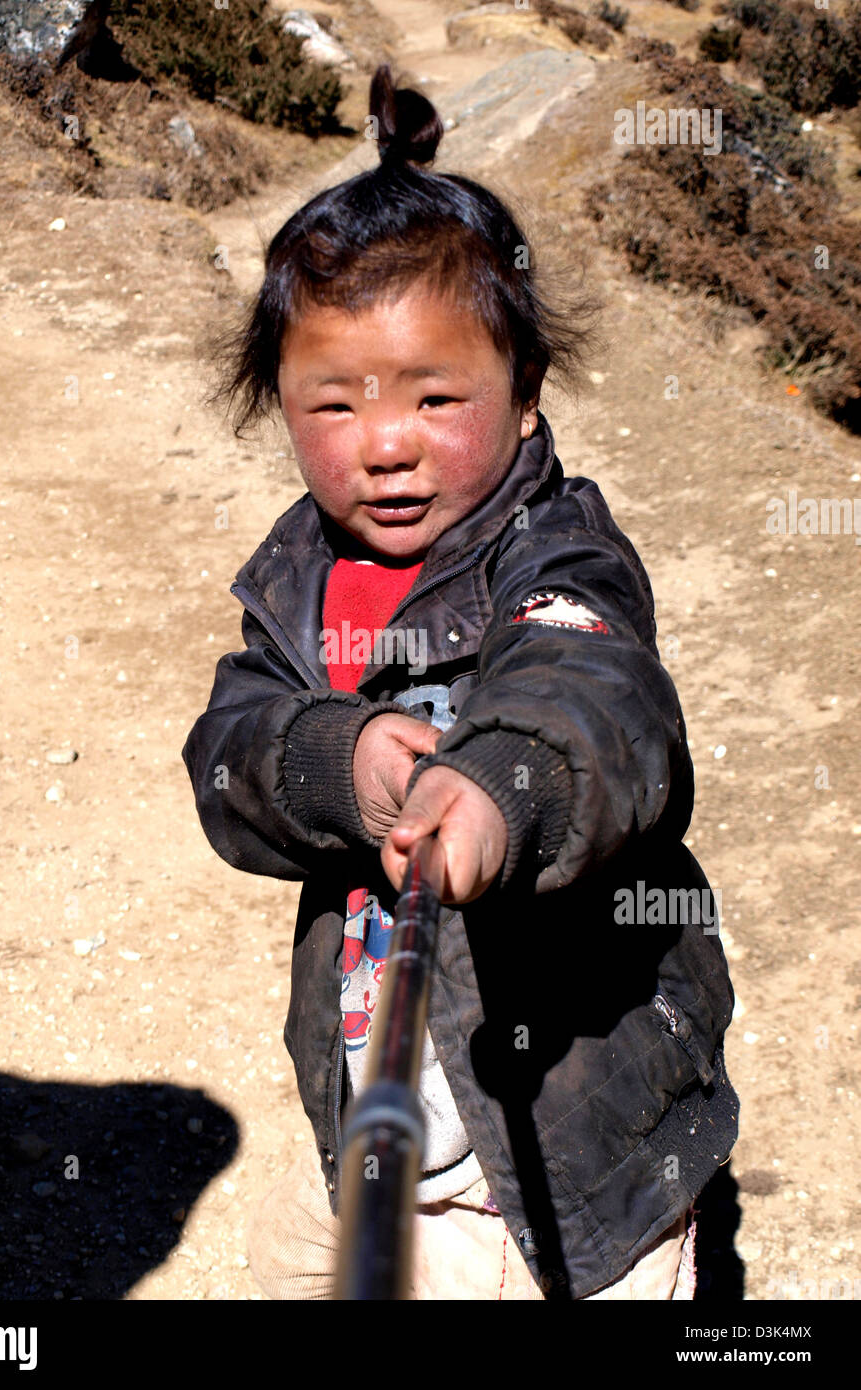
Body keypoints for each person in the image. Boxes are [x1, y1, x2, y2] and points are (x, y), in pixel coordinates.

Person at [183, 65, 739, 1300]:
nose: (385, 442)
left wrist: (501, 787)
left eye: (437, 397)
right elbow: (229, 752)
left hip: (574, 1162)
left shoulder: (561, 551)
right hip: (374, 1130)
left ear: (527, 398)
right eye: (336, 402)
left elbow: (590, 690)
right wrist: (337, 758)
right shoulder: (297, 581)